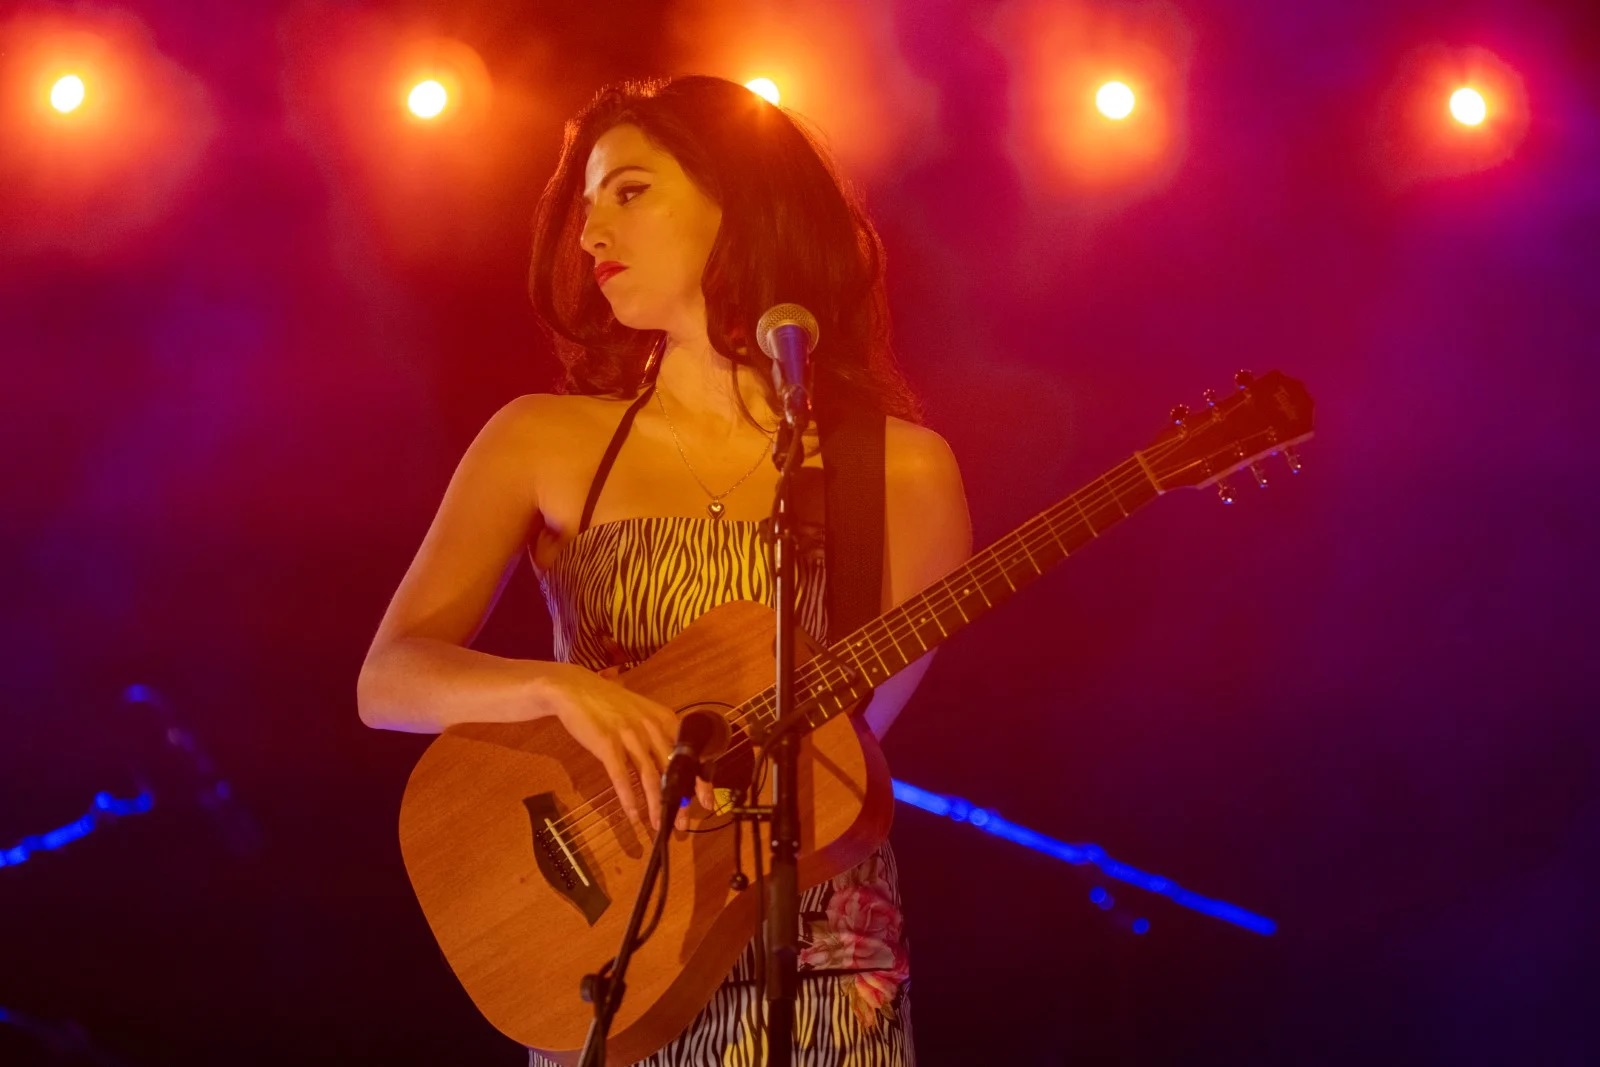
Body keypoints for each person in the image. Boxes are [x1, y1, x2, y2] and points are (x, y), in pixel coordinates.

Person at [357, 74, 971, 1066]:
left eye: (629, 191)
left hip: (819, 965)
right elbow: (387, 679)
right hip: (609, 953)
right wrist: (557, 690)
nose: (590, 231)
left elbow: (841, 759)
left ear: (743, 200)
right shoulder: (539, 438)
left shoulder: (903, 470)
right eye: (585, 204)